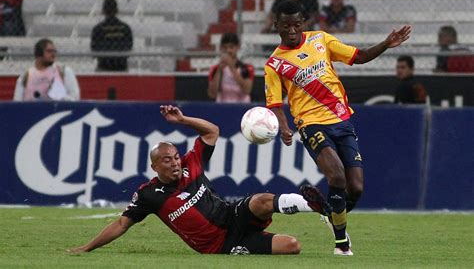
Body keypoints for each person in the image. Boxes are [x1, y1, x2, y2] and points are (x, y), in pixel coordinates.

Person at [68, 105, 332, 255]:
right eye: (167, 160)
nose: (175, 162)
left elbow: (212, 132)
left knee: (262, 200)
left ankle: (319, 207)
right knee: (293, 247)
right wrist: (87, 247)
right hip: (220, 245)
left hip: (232, 216)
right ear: (154, 166)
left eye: (175, 156)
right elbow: (122, 224)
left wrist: (182, 120)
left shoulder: (190, 163)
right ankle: (259, 238)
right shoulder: (149, 194)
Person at [264, 0, 411, 256]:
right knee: (337, 177)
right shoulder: (274, 64)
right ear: (276, 25)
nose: (291, 30)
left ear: (303, 23)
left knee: (356, 188)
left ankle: (328, 210)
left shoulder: (321, 40)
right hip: (310, 123)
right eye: (285, 25)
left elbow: (360, 57)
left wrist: (387, 44)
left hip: (341, 121)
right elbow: (275, 104)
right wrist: (284, 127)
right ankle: (341, 244)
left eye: (296, 24)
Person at [13, 38, 80, 101]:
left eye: (54, 51)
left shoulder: (64, 71)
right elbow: (17, 102)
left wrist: (60, 96)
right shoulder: (25, 76)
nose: (53, 54)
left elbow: (75, 98)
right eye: (49, 51)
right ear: (38, 54)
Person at [208, 33, 255, 103]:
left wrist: (232, 67)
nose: (228, 51)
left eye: (231, 47)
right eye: (225, 48)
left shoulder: (246, 68)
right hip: (223, 106)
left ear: (237, 47)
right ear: (221, 48)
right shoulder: (215, 69)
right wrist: (219, 70)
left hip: (242, 106)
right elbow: (212, 94)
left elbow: (247, 90)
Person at [91, 0, 133, 71]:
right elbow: (128, 49)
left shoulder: (98, 29)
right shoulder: (125, 28)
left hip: (103, 67)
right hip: (121, 67)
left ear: (103, 10)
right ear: (117, 10)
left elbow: (94, 51)